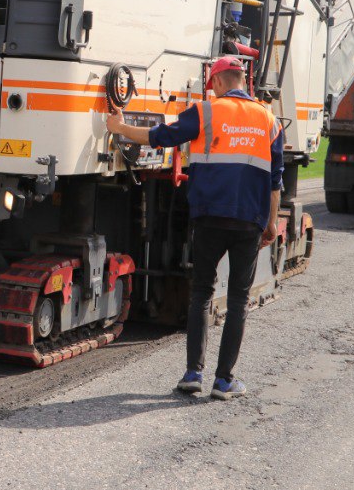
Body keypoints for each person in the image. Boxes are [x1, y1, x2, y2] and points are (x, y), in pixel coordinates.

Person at [106, 55, 284, 400]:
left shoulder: (206, 111)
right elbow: (275, 181)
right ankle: (224, 381)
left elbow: (161, 137)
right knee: (237, 300)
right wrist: (272, 223)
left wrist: (120, 128)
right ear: (242, 80)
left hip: (208, 217)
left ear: (217, 81)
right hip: (249, 220)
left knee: (201, 293)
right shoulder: (269, 120)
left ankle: (193, 374)